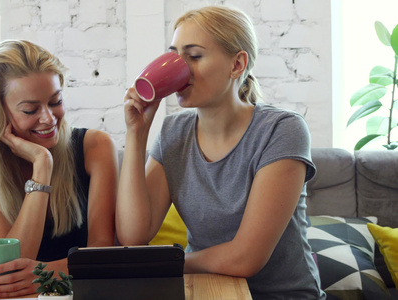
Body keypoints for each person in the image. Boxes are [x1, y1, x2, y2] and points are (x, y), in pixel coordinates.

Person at [116, 5, 325, 299]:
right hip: (204, 289)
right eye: (174, 56)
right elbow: (133, 235)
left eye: (194, 56)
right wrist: (136, 134)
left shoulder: (282, 130)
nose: (180, 67)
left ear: (237, 65)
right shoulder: (173, 132)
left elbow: (245, 258)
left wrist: (163, 264)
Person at [0, 40, 118, 297]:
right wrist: (42, 165)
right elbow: (7, 270)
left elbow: (100, 252)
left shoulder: (96, 147)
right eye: (30, 109)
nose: (49, 118)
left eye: (55, 101)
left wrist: (44, 274)